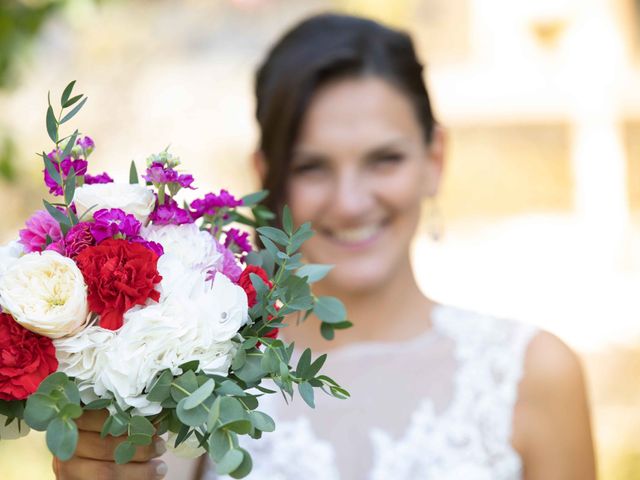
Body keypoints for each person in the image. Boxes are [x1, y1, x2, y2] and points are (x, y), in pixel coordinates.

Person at [54, 12, 596, 480]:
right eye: (313, 167)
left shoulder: (533, 374)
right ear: (268, 177)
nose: (352, 201)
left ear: (435, 159)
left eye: (384, 159)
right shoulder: (194, 378)